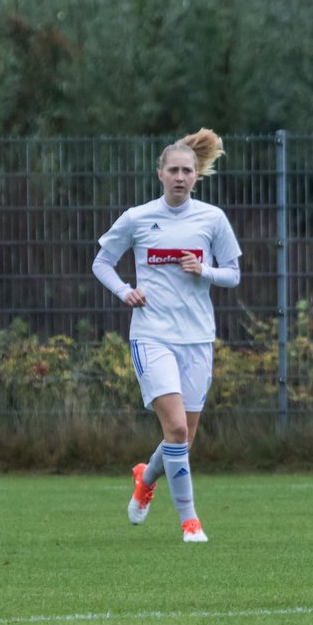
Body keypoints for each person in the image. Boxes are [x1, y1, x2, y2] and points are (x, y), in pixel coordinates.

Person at [92, 128, 242, 544]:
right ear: (160, 174)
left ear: (196, 176)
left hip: (197, 339)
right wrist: (125, 290)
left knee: (183, 439)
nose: (180, 177)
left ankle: (146, 477)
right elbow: (102, 263)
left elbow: (233, 274)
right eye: (173, 170)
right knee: (176, 429)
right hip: (151, 336)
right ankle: (190, 521)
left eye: (187, 171)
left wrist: (204, 270)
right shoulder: (138, 218)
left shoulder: (212, 219)